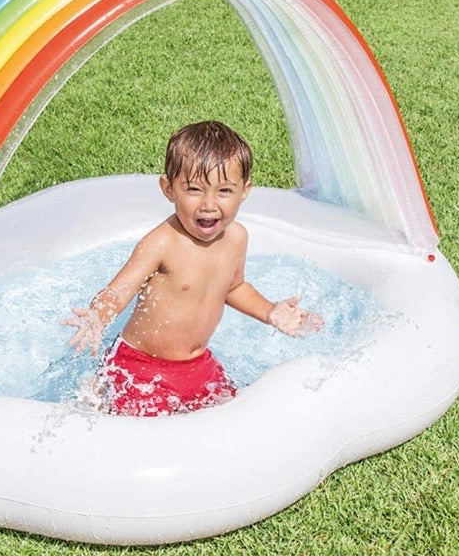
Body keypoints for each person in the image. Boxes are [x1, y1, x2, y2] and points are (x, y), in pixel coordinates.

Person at [63, 120, 323, 417]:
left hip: (197, 365)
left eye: (224, 191)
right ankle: (98, 389)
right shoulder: (161, 243)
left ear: (245, 191)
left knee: (237, 416)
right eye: (194, 190)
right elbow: (119, 291)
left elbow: (234, 287)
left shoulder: (237, 237)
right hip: (141, 365)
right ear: (168, 189)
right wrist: (99, 314)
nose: (209, 204)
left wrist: (270, 311)